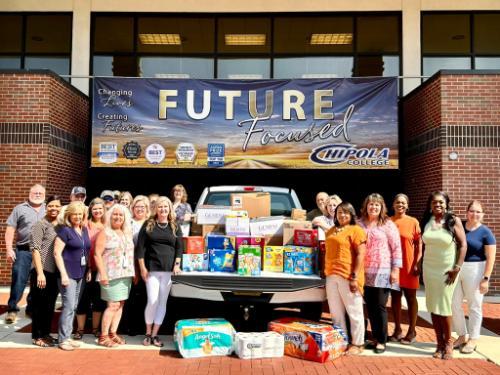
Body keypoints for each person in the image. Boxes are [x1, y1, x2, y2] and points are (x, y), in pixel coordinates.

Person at [421, 191, 466, 360]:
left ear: (446, 204)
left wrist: (457, 267)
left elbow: (463, 245)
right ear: (430, 205)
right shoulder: (427, 220)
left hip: (447, 270)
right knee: (433, 306)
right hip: (429, 268)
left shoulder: (452, 220)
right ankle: (438, 343)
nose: (437, 205)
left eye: (440, 202)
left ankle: (448, 343)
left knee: (444, 306)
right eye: (434, 202)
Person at [136, 196, 183, 347]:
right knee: (152, 301)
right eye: (160, 207)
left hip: (169, 271)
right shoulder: (148, 225)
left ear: (170, 209)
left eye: (166, 207)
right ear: (156, 209)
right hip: (152, 270)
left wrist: (177, 265)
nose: (163, 209)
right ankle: (148, 333)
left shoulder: (175, 226)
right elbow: (140, 249)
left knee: (162, 302)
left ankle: (155, 335)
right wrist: (142, 267)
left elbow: (179, 248)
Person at [359, 193, 402, 354]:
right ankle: (375, 337)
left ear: (381, 207)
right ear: (366, 206)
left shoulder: (388, 224)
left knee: (380, 306)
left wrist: (395, 269)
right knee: (369, 306)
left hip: (382, 272)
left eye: (377, 204)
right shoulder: (359, 223)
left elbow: (396, 247)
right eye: (371, 204)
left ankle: (382, 340)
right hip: (364, 272)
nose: (374, 207)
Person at [452, 200, 496, 354]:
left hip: (476, 270)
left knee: (474, 305)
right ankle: (462, 336)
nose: (474, 214)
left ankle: (474, 338)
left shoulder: (486, 232)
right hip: (457, 268)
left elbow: (491, 257)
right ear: (467, 212)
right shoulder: (459, 227)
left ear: (482, 214)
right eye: (472, 211)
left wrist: (486, 278)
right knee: (454, 303)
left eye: (478, 211)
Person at [324, 202, 367, 355]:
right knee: (336, 313)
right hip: (331, 275)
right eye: (340, 212)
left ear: (352, 215)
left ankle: (358, 343)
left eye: (346, 212)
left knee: (354, 311)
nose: (342, 215)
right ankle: (342, 341)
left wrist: (355, 276)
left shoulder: (356, 230)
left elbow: (361, 254)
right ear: (335, 214)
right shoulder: (330, 231)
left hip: (348, 275)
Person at [4, 184, 46, 324]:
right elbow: (10, 229)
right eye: (35, 192)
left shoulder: (49, 208)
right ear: (29, 193)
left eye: (40, 193)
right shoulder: (19, 208)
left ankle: (31, 308)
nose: (38, 194)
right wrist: (9, 249)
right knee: (18, 280)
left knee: (37, 282)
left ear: (44, 194)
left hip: (42, 252)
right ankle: (12, 310)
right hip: (24, 251)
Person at [94, 204, 135, 347]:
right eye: (115, 214)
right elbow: (97, 254)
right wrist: (103, 273)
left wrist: (133, 272)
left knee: (120, 304)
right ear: (110, 216)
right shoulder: (105, 232)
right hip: (110, 275)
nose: (118, 217)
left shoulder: (126, 233)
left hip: (125, 274)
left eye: (121, 215)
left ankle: (113, 333)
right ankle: (103, 336)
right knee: (112, 305)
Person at [53, 201, 91, 351]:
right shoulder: (64, 231)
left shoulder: (84, 230)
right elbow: (57, 253)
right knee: (68, 307)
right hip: (67, 274)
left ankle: (67, 336)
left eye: (80, 214)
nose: (77, 216)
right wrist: (63, 274)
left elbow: (86, 251)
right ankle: (63, 339)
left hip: (80, 273)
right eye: (74, 214)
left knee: (73, 306)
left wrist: (88, 270)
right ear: (69, 215)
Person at [389, 194, 422, 345]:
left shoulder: (413, 222)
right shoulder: (388, 221)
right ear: (393, 205)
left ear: (407, 205)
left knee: (410, 298)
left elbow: (419, 244)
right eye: (397, 202)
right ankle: (397, 330)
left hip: (409, 266)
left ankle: (412, 331)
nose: (400, 205)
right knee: (395, 298)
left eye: (403, 203)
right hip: (393, 266)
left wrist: (417, 263)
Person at [29, 195, 62, 347]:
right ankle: (37, 336)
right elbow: (35, 249)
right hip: (41, 271)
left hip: (55, 271)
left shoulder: (61, 225)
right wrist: (40, 272)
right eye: (51, 206)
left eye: (57, 206)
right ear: (46, 206)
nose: (54, 208)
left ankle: (46, 333)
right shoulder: (40, 224)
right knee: (38, 305)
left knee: (49, 305)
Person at [74, 198, 107, 340]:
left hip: (103, 269)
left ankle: (95, 329)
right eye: (95, 209)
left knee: (99, 300)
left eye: (100, 208)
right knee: (83, 299)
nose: (97, 211)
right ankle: (79, 329)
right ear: (90, 210)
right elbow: (83, 248)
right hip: (86, 268)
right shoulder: (85, 225)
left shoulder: (107, 225)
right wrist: (88, 268)